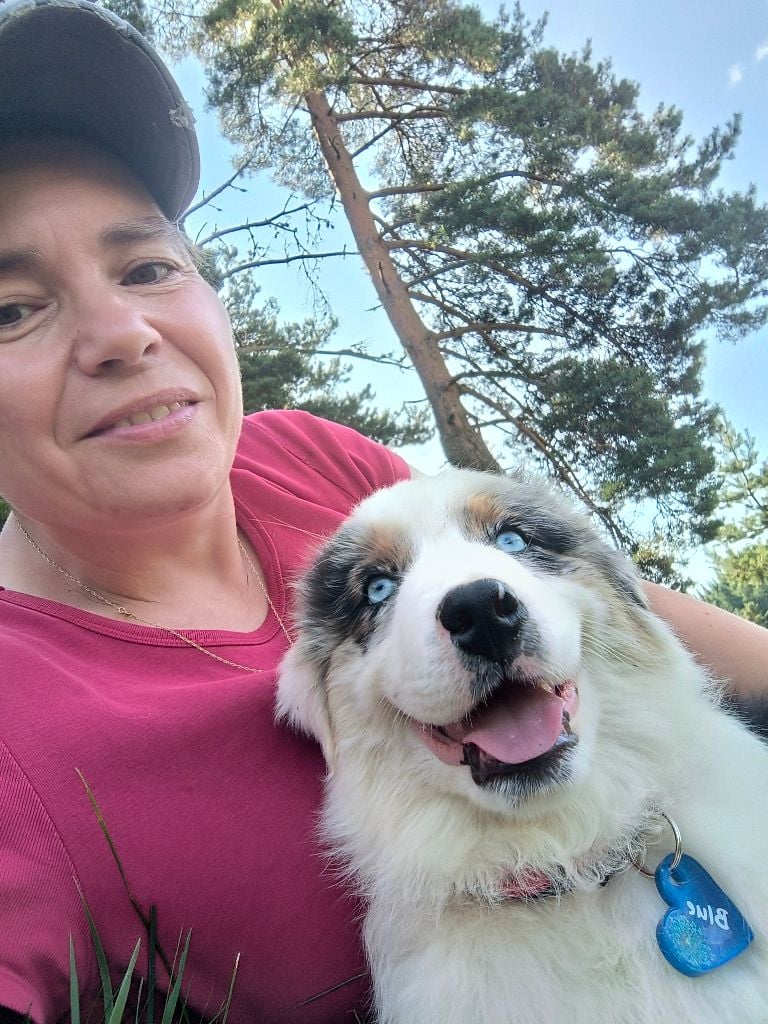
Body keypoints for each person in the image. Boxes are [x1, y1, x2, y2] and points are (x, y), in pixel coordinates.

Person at [0, 3, 766, 1023]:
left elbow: (595, 600)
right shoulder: (12, 722)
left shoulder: (302, 453)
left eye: (147, 267)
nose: (121, 333)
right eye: (12, 309)